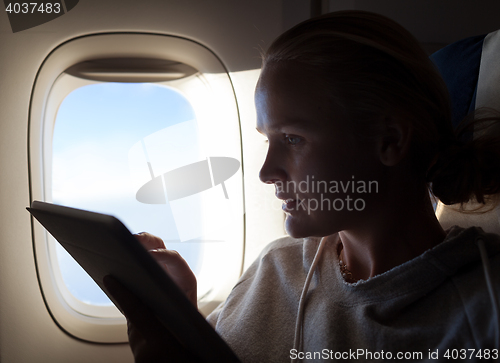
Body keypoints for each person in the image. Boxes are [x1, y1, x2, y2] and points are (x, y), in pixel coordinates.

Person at [105, 10, 500, 362]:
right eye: (268, 139)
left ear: (390, 140)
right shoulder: (274, 269)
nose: (266, 172)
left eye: (292, 138)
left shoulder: (484, 304)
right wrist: (179, 325)